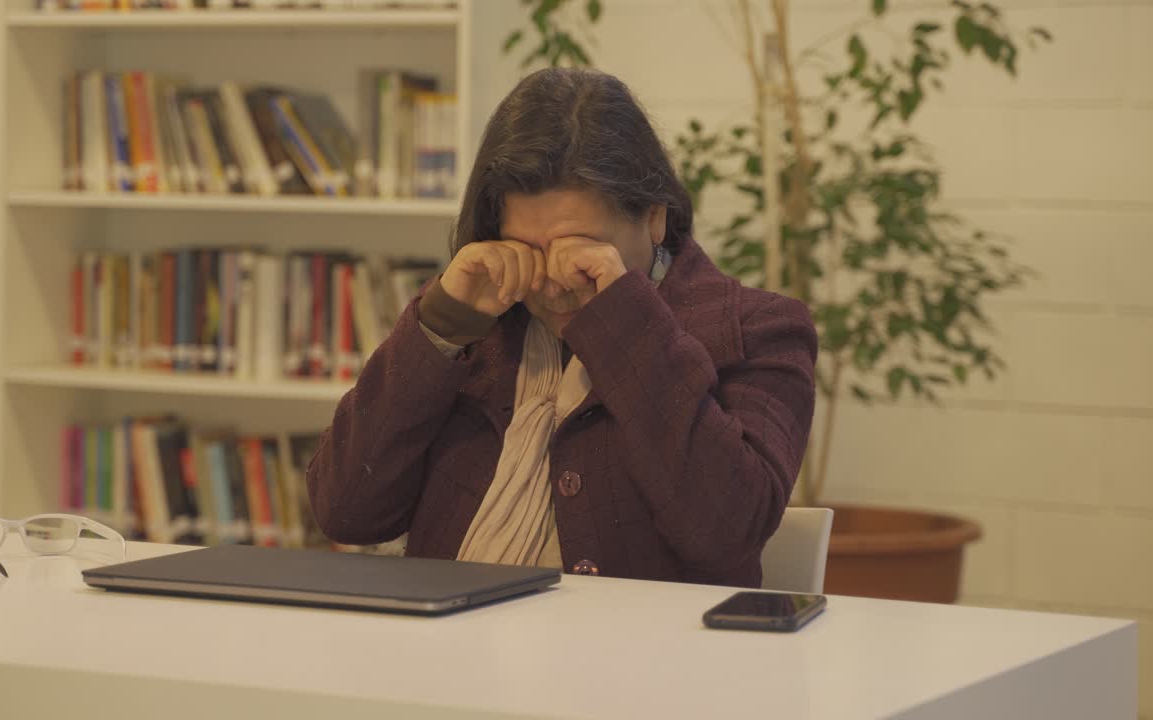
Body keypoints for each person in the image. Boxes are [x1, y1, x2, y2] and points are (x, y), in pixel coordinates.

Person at [307, 67, 817, 588]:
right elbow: (345, 512)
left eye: (582, 249)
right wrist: (439, 326)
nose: (553, 282)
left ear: (654, 218)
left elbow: (728, 531)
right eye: (527, 248)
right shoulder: (478, 321)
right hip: (445, 631)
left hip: (644, 640)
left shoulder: (757, 329)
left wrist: (625, 323)